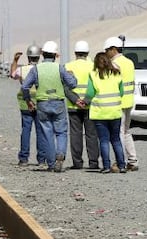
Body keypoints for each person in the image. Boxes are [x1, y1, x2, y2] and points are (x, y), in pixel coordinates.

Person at [21, 41, 77, 172]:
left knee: (47, 134)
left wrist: (28, 100)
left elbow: (25, 86)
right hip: (58, 102)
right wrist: (73, 77)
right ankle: (60, 155)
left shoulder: (36, 69)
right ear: (56, 55)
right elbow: (72, 84)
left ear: (42, 54)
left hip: (42, 104)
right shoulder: (60, 68)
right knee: (61, 132)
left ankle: (51, 164)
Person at [85, 52, 126, 173]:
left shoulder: (93, 75)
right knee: (116, 139)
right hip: (115, 112)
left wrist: (84, 101)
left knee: (103, 140)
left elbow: (90, 93)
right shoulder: (117, 73)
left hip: (100, 113)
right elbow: (121, 92)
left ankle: (107, 166)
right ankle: (122, 165)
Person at [104, 36, 138, 171]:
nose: (106, 53)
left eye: (107, 50)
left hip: (119, 103)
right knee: (126, 132)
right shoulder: (129, 62)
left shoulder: (114, 64)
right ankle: (133, 161)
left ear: (113, 49)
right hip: (129, 101)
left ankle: (121, 161)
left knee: (118, 133)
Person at [64, 40, 100, 170]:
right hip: (90, 106)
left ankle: (77, 163)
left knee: (75, 134)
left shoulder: (68, 66)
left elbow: (66, 87)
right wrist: (86, 100)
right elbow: (96, 86)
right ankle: (94, 162)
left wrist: (76, 100)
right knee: (92, 135)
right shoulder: (94, 66)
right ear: (88, 52)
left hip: (74, 107)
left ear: (75, 53)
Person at [10, 44, 46, 167]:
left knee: (26, 130)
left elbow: (13, 74)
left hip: (25, 104)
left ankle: (24, 158)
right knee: (40, 131)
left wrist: (15, 60)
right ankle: (42, 159)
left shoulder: (23, 69)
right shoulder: (42, 69)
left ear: (28, 57)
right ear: (38, 57)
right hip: (40, 103)